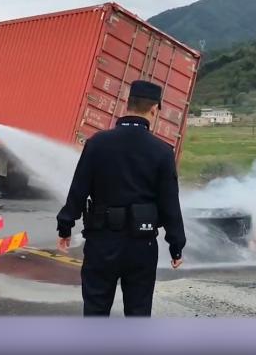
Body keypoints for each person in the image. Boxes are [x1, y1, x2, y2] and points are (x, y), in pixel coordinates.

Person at [56, 80, 186, 316]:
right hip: (142, 245)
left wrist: (65, 226)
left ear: (127, 104)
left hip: (101, 242)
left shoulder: (97, 144)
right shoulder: (162, 151)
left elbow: (78, 189)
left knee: (96, 310)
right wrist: (176, 246)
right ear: (154, 109)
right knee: (138, 312)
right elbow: (170, 203)